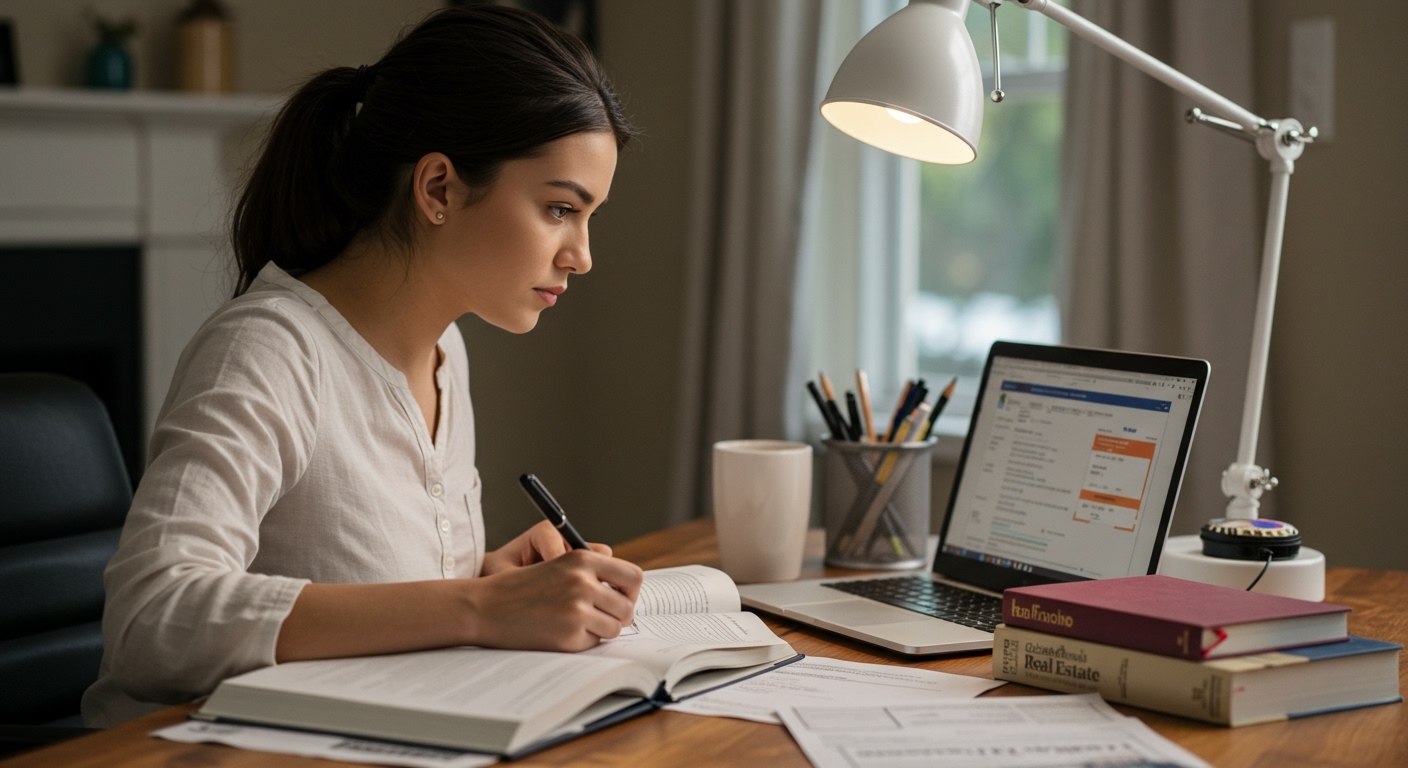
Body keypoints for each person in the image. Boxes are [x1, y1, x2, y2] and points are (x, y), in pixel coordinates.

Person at [82, 6, 643, 727]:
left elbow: (355, 582)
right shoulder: (267, 352)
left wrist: (484, 579)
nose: (582, 255)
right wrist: (477, 605)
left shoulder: (445, 353)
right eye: (560, 208)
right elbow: (151, 620)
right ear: (438, 188)